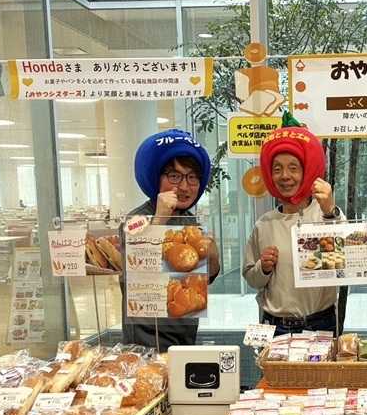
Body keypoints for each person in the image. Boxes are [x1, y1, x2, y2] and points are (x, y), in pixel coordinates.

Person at [122, 129, 220, 351]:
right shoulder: (136, 220)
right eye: (175, 176)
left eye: (192, 177)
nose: (184, 187)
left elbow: (206, 277)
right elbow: (134, 273)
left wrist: (212, 253)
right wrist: (159, 220)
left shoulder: (191, 221)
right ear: (156, 177)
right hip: (146, 338)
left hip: (185, 330)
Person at [243, 126, 343, 336]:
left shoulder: (327, 213)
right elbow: (251, 279)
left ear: (307, 172)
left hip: (320, 323)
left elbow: (346, 263)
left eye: (293, 168)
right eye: (277, 169)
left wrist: (329, 212)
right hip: (275, 326)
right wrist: (263, 268)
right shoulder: (264, 224)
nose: (285, 176)